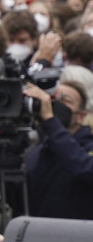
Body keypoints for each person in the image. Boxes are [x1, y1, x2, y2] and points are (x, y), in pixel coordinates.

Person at [25, 79, 93, 219]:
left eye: (64, 100)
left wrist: (50, 121)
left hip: (79, 235)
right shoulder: (37, 150)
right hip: (39, 233)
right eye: (52, 98)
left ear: (81, 116)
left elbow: (85, 169)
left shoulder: (88, 147)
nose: (52, 104)